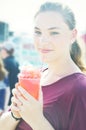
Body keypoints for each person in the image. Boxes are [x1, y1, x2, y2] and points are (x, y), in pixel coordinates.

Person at [0, 2, 86, 130]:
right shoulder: (35, 76)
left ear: (73, 35)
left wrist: (36, 120)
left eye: (54, 33)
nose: (43, 41)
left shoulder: (80, 89)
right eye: (38, 32)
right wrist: (15, 114)